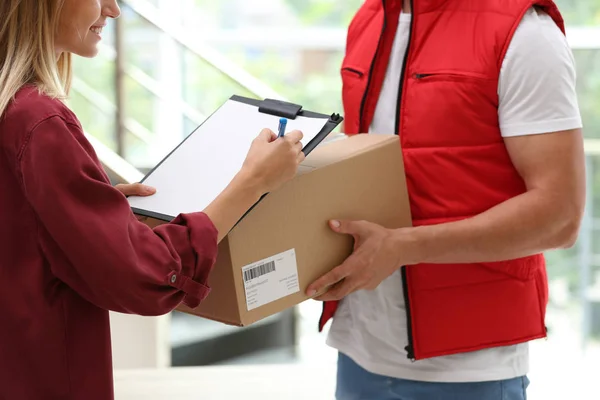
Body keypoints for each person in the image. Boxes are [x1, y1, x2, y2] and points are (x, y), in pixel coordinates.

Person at [0, 1, 305, 399]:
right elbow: (142, 277)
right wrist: (252, 183)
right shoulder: (39, 123)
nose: (113, 10)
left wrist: (90, 208)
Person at [306, 0, 586, 399]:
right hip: (358, 350)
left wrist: (404, 247)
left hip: (469, 369)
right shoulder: (369, 19)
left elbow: (560, 216)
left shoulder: (527, 34)